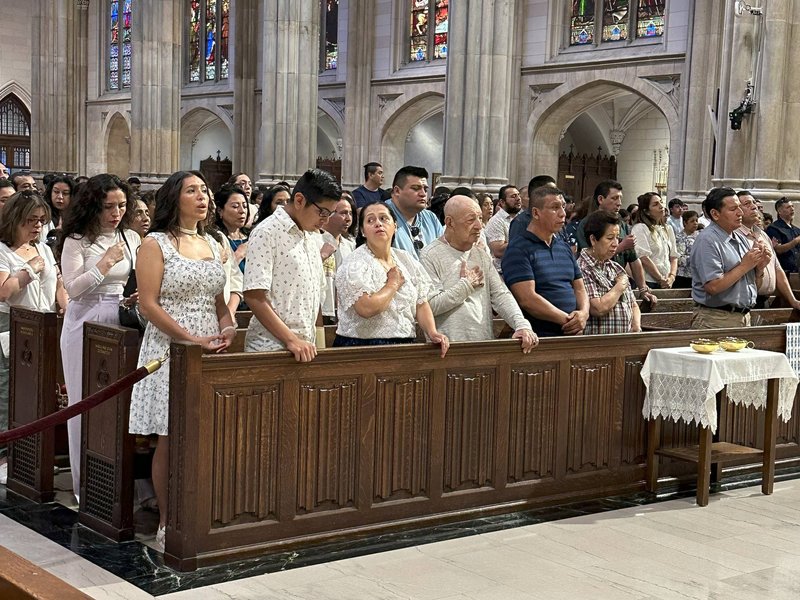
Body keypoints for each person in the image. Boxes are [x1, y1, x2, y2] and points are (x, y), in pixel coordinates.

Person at [128, 170, 235, 551]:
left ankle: (201, 511)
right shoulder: (155, 243)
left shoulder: (212, 242)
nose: (202, 196)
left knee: (205, 434)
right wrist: (190, 340)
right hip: (170, 347)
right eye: (192, 191)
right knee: (170, 437)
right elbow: (148, 303)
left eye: (205, 190)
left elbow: (219, 300)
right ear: (175, 199)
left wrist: (228, 325)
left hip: (210, 345)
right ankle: (168, 519)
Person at [58, 174, 140, 502]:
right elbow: (73, 288)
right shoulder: (77, 239)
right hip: (84, 322)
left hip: (119, 322)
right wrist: (105, 263)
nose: (116, 213)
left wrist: (130, 298)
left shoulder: (131, 236)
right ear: (93, 206)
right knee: (85, 403)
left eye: (121, 205)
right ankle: (85, 486)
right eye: (108, 207)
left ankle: (116, 482)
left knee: (117, 404)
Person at [0, 191, 68, 485]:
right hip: (12, 324)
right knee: (7, 390)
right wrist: (29, 271)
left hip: (44, 323)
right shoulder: (3, 251)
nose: (38, 227)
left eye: (41, 221)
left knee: (37, 391)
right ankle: (4, 456)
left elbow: (57, 281)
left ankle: (32, 454)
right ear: (15, 219)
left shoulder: (43, 248)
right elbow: (4, 291)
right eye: (31, 221)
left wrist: (62, 299)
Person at [243, 169, 341, 360]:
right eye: (322, 212)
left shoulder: (312, 235)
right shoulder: (267, 232)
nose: (326, 220)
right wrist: (291, 340)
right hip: (270, 349)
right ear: (299, 200)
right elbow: (254, 295)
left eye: (330, 214)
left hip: (305, 348)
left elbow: (314, 293)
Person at [420, 195, 537, 352]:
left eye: (480, 219)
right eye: (470, 220)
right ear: (449, 222)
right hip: (446, 348)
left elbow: (501, 294)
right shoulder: (430, 255)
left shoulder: (480, 254)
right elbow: (430, 305)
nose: (479, 226)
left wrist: (521, 324)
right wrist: (466, 286)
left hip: (483, 345)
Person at [333, 202, 449, 354]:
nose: (378, 224)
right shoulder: (355, 263)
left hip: (404, 343)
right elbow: (365, 308)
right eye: (370, 220)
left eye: (383, 218)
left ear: (395, 226)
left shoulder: (406, 259)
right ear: (362, 231)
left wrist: (432, 332)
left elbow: (421, 302)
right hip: (362, 347)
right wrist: (392, 284)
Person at [503, 186, 589, 337]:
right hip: (541, 338)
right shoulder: (518, 248)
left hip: (573, 334)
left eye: (563, 206)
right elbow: (527, 299)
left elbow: (580, 288)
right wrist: (567, 320)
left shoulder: (563, 247)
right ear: (536, 213)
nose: (563, 213)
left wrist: (583, 313)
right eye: (555, 208)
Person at [690, 187, 769, 329]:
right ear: (715, 214)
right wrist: (745, 265)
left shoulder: (740, 238)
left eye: (739, 207)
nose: (740, 213)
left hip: (743, 317)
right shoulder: (707, 240)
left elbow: (752, 286)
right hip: (716, 318)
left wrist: (759, 269)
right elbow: (713, 287)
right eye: (733, 209)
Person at [575, 181, 657, 305]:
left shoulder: (621, 225)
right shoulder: (587, 224)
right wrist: (621, 246)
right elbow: (588, 256)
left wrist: (643, 288)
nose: (619, 203)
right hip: (597, 284)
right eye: (614, 198)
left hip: (618, 280)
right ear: (601, 199)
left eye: (620, 198)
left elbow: (634, 259)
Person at [578, 210, 641, 334]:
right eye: (610, 238)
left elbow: (633, 304)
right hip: (598, 344)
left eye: (617, 238)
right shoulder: (582, 268)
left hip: (625, 342)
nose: (616, 244)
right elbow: (598, 308)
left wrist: (636, 326)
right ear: (593, 239)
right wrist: (620, 286)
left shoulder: (616, 267)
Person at [738, 191, 800, 310]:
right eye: (747, 204)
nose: (754, 206)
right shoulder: (734, 236)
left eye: (754, 203)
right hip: (744, 302)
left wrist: (792, 300)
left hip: (764, 300)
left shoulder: (762, 235)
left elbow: (777, 268)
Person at [386, 165, 443, 258]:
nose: (423, 194)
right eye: (416, 188)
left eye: (425, 189)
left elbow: (442, 253)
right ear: (397, 191)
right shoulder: (382, 217)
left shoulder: (431, 218)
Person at [320, 195, 356, 324]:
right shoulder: (316, 240)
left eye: (350, 213)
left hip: (345, 312)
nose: (348, 218)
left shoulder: (350, 245)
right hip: (322, 309)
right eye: (343, 213)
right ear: (329, 214)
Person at [631, 192, 678, 289]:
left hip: (667, 280)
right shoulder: (640, 228)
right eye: (655, 204)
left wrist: (672, 277)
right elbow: (643, 257)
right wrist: (660, 279)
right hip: (649, 281)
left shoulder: (668, 228)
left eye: (661, 202)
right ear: (647, 211)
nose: (661, 206)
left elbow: (673, 256)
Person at [214, 184, 250, 275]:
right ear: (220, 210)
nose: (242, 211)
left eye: (245, 206)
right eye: (235, 206)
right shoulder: (216, 239)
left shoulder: (252, 236)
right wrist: (239, 254)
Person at [485, 185, 522, 273]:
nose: (518, 199)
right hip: (503, 273)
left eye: (518, 195)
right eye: (513, 196)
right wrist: (524, 240)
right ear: (502, 202)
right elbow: (499, 251)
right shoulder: (496, 221)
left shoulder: (521, 218)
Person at [508, 174, 557, 240]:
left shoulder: (557, 218)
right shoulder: (520, 222)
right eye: (551, 192)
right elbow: (516, 248)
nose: (556, 195)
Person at [766, 197, 800, 274]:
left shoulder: (796, 230)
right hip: (784, 271)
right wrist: (795, 241)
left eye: (792, 206)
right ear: (779, 211)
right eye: (788, 207)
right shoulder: (773, 228)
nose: (792, 209)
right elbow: (778, 249)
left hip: (797, 271)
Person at [41, 174, 74, 245]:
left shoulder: (76, 216)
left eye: (65, 193)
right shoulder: (43, 214)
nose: (60, 197)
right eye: (56, 192)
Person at [674, 210, 699, 289]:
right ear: (685, 223)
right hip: (684, 276)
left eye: (696, 221)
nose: (695, 223)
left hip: (698, 275)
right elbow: (680, 257)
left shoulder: (701, 235)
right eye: (692, 221)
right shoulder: (679, 237)